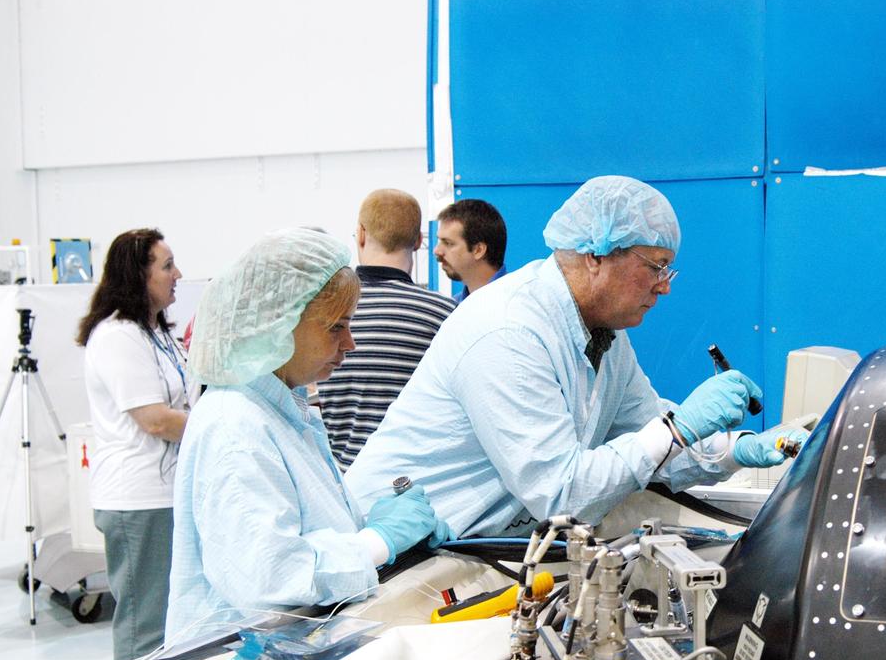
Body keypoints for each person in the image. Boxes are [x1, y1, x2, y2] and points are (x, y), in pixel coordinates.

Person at [346, 176, 807, 537]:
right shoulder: (508, 330)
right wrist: (679, 428)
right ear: (594, 255)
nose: (665, 286)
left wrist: (735, 449)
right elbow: (563, 493)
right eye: (655, 267)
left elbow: (653, 442)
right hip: (390, 560)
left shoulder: (603, 334)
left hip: (462, 549)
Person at [164, 228, 451, 643]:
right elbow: (271, 575)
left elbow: (302, 524)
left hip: (292, 650)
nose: (350, 344)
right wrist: (379, 541)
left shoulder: (282, 406)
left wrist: (380, 525)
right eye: (336, 327)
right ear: (277, 325)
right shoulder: (235, 426)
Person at [77, 228, 194, 660]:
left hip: (163, 495)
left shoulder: (154, 333)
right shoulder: (117, 336)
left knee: (167, 618)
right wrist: (218, 428)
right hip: (137, 499)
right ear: (137, 276)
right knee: (143, 627)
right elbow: (155, 419)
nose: (177, 274)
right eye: (167, 266)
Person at [318, 189, 456, 469]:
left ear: (361, 235)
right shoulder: (446, 315)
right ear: (418, 241)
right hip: (415, 490)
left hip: (342, 489)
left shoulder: (326, 311)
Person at [434, 198, 507, 303]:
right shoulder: (453, 308)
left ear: (478, 250)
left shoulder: (519, 305)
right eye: (439, 241)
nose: (437, 251)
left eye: (448, 243)